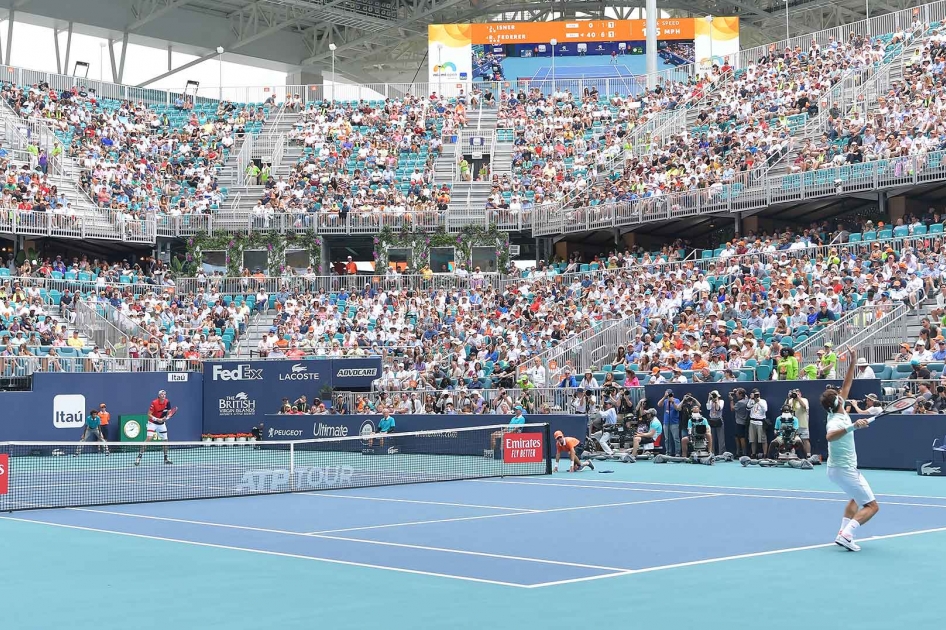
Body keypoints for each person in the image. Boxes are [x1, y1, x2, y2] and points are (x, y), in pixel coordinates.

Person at [822, 347, 880, 552]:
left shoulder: (837, 407)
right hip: (845, 469)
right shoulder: (835, 420)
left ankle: (841, 533)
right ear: (837, 401)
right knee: (872, 506)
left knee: (856, 499)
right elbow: (830, 436)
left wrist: (853, 360)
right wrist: (852, 426)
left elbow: (847, 383)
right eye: (838, 394)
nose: (841, 393)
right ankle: (848, 534)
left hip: (836, 470)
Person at [135, 389, 173, 466]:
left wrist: (167, 418)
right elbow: (149, 414)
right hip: (152, 423)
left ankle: (166, 459)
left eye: (165, 394)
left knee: (165, 440)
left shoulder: (167, 402)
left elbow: (169, 412)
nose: (163, 396)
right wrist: (157, 419)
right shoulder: (154, 403)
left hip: (162, 424)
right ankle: (138, 458)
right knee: (149, 438)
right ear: (159, 396)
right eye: (162, 394)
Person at [658, 389, 682, 456]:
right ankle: (668, 452)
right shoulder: (665, 401)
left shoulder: (676, 400)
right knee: (667, 439)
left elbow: (677, 408)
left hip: (674, 423)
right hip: (666, 422)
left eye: (670, 394)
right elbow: (659, 404)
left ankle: (677, 453)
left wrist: (673, 402)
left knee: (676, 438)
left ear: (672, 394)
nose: (669, 396)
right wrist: (664, 397)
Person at [787, 389, 811, 456]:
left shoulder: (804, 400)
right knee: (792, 440)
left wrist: (798, 398)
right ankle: (792, 455)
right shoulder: (790, 401)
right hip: (793, 424)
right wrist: (788, 398)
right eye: (795, 394)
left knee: (805, 439)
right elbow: (785, 408)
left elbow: (804, 407)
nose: (795, 395)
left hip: (802, 423)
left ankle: (808, 455)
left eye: (797, 394)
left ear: (800, 394)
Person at [746, 388, 768, 459]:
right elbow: (748, 407)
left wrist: (758, 401)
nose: (756, 396)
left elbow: (765, 409)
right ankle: (753, 453)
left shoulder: (763, 401)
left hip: (760, 422)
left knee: (763, 439)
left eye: (757, 394)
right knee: (752, 439)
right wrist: (751, 399)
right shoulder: (751, 401)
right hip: (752, 421)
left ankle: (765, 454)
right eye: (755, 394)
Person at [730, 387, 749, 457]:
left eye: (737, 394)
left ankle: (743, 453)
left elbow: (732, 408)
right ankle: (739, 452)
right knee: (737, 437)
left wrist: (731, 400)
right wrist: (736, 391)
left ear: (741, 395)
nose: (736, 395)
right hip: (743, 422)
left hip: (740, 422)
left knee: (741, 438)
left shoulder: (740, 403)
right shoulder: (746, 399)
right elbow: (744, 394)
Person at [706, 390, 726, 455]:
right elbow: (708, 408)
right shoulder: (710, 402)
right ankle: (712, 452)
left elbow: (718, 408)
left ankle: (721, 453)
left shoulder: (721, 401)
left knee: (721, 438)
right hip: (712, 419)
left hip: (719, 419)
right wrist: (709, 399)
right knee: (711, 437)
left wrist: (716, 401)